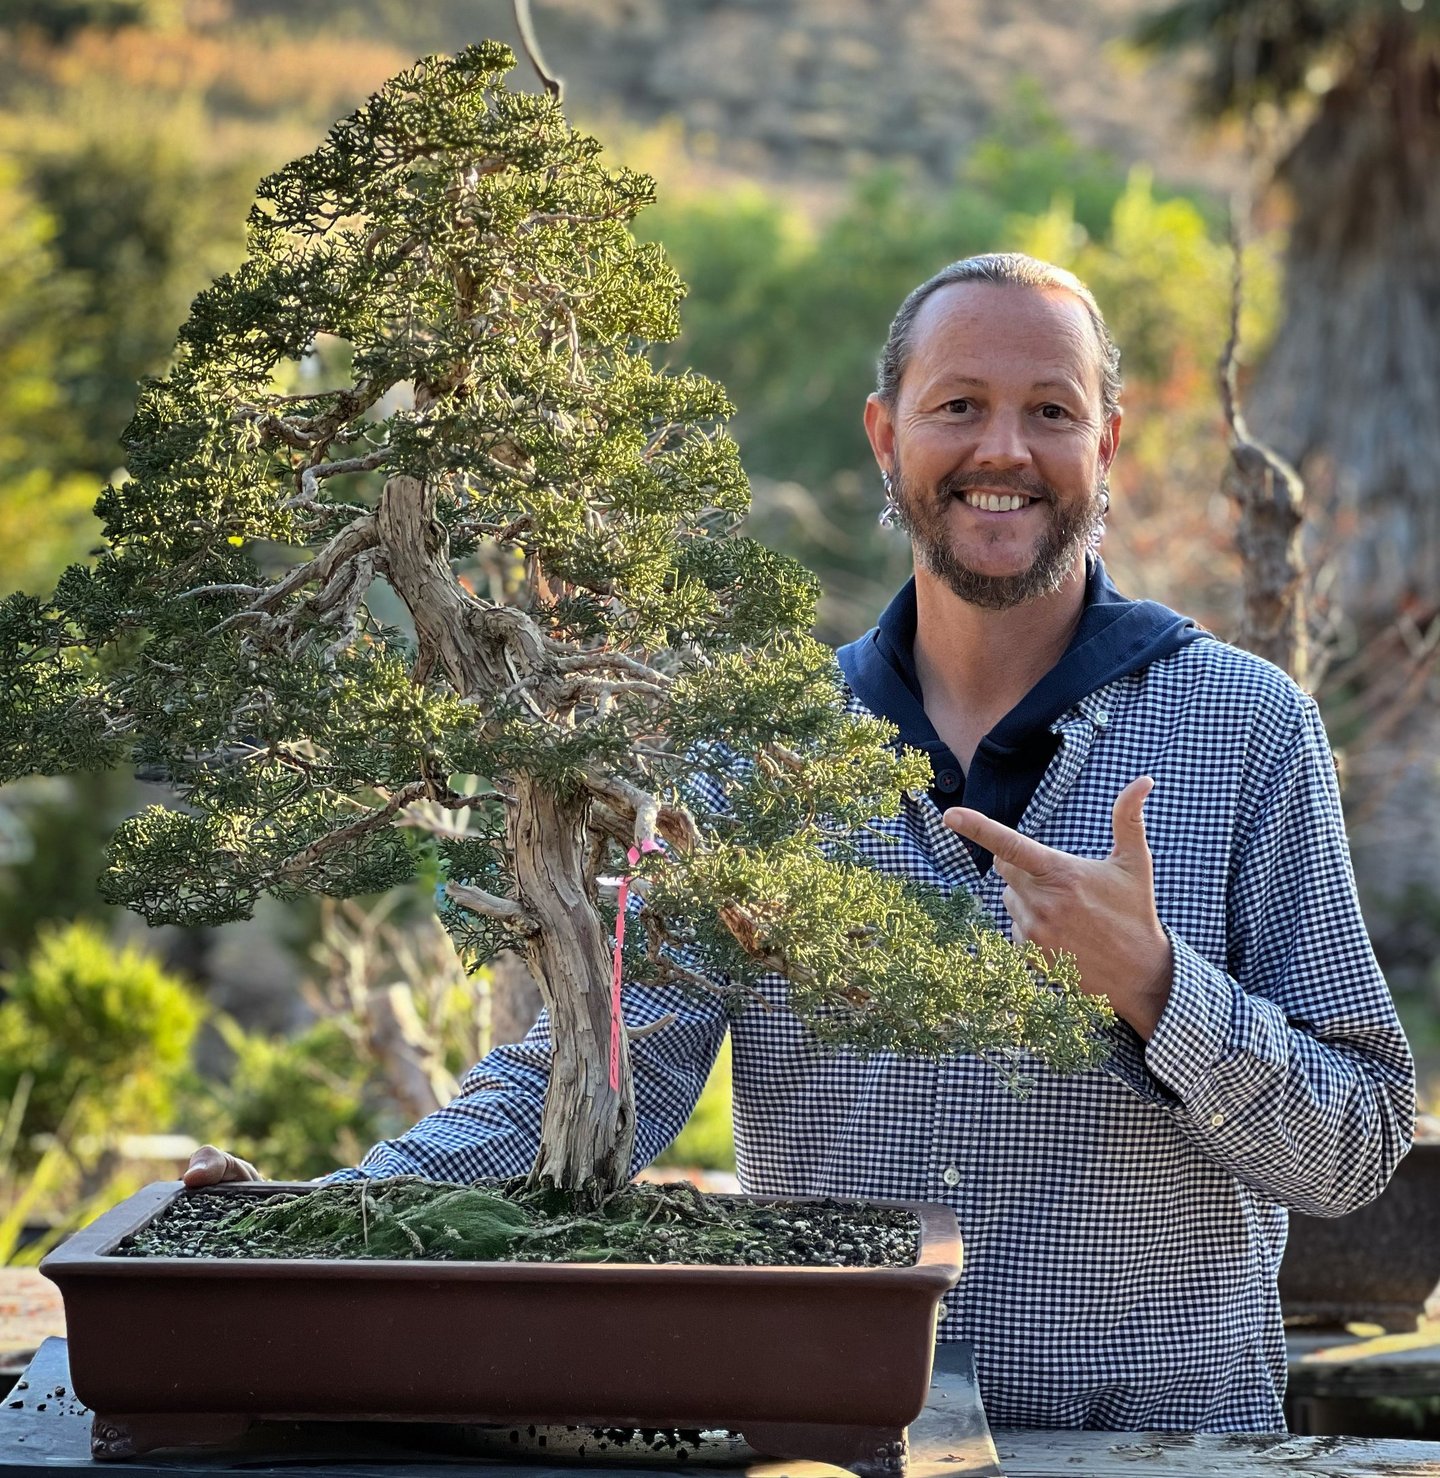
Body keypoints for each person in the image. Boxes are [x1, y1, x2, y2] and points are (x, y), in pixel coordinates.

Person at [187, 254, 1414, 1433]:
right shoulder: (753, 750)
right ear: (886, 436)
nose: (1004, 448)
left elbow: (1357, 1147)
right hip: (832, 1436)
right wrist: (317, 1222)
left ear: (1107, 442)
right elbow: (595, 1067)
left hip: (1162, 1450)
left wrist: (1157, 988)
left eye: (1050, 408)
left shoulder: (1248, 727)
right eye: (959, 405)